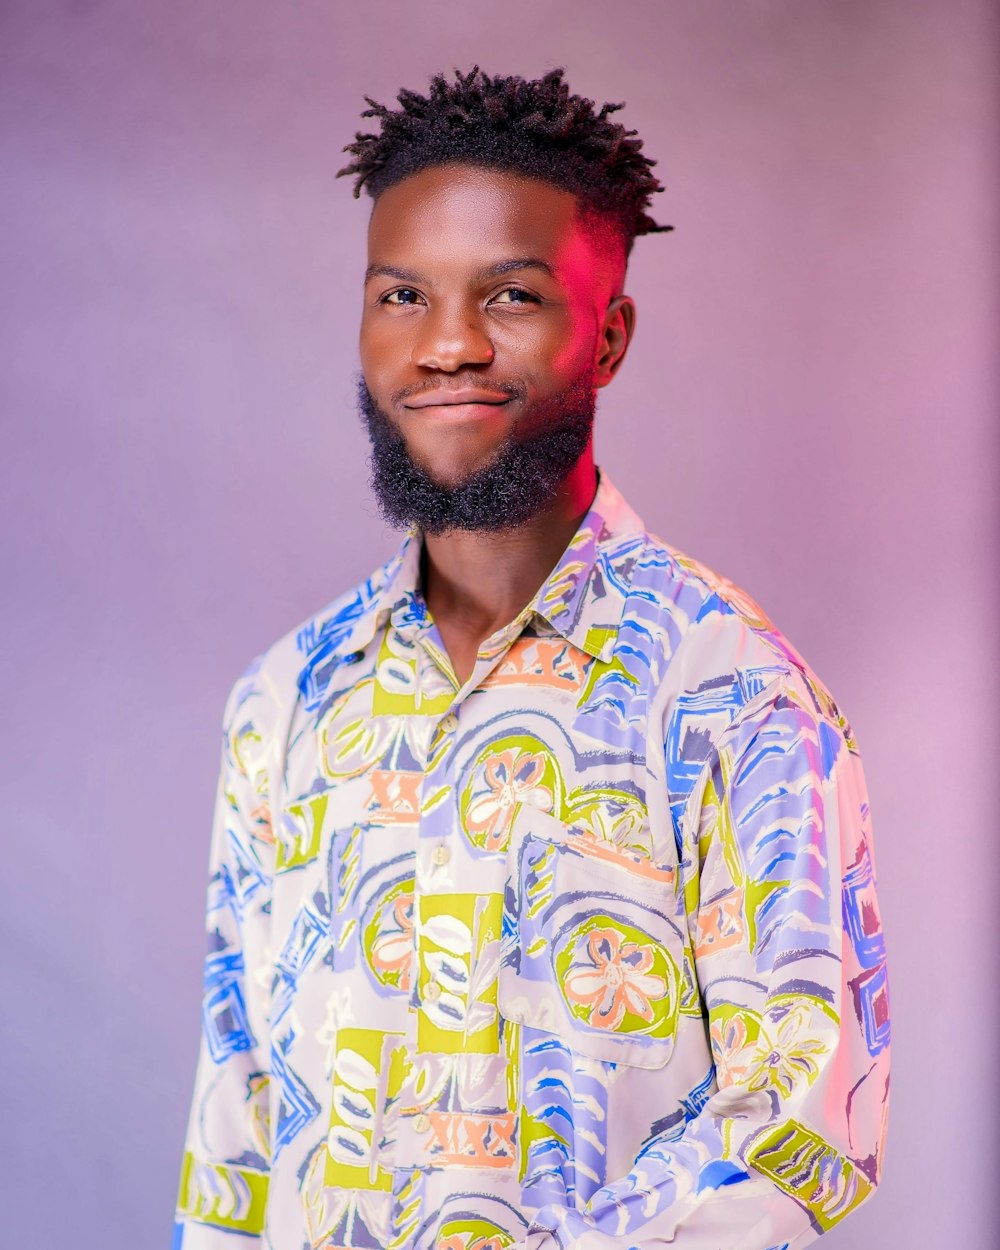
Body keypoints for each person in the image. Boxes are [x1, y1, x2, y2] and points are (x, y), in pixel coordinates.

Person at [174, 67, 889, 1250]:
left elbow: (805, 1123)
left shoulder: (732, 690)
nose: (447, 344)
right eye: (402, 293)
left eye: (508, 294)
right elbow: (235, 1131)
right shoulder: (282, 703)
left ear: (604, 336)